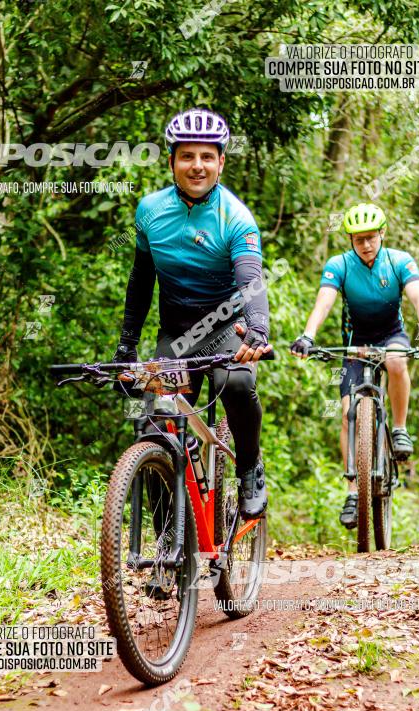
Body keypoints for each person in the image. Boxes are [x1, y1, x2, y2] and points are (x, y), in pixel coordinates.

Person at [110, 108, 272, 519]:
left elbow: (251, 279)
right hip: (177, 334)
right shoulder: (149, 211)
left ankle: (250, 467)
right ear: (171, 162)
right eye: (187, 156)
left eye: (206, 156)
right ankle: (168, 547)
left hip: (225, 329)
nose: (196, 165)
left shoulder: (235, 217)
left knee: (235, 384)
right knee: (155, 426)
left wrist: (258, 330)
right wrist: (126, 345)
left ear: (221, 162)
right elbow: (141, 280)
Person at [290, 203, 419, 529]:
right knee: (348, 413)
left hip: (392, 336)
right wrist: (307, 335)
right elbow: (326, 299)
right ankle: (351, 491)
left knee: (396, 360)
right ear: (350, 239)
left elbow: (418, 297)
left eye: (371, 237)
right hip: (355, 342)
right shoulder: (339, 265)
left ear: (382, 234)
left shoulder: (399, 261)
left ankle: (399, 429)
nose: (365, 245)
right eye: (358, 239)